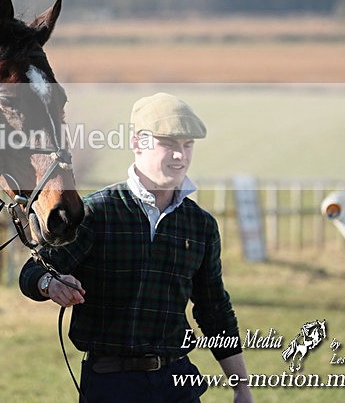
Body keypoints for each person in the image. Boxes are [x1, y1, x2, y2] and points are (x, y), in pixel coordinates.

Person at [19, 92, 253, 402]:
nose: (180, 156)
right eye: (168, 144)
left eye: (187, 145)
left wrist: (241, 387)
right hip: (111, 383)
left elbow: (215, 311)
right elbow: (32, 271)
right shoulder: (96, 213)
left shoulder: (201, 225)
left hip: (176, 381)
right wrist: (50, 284)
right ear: (137, 143)